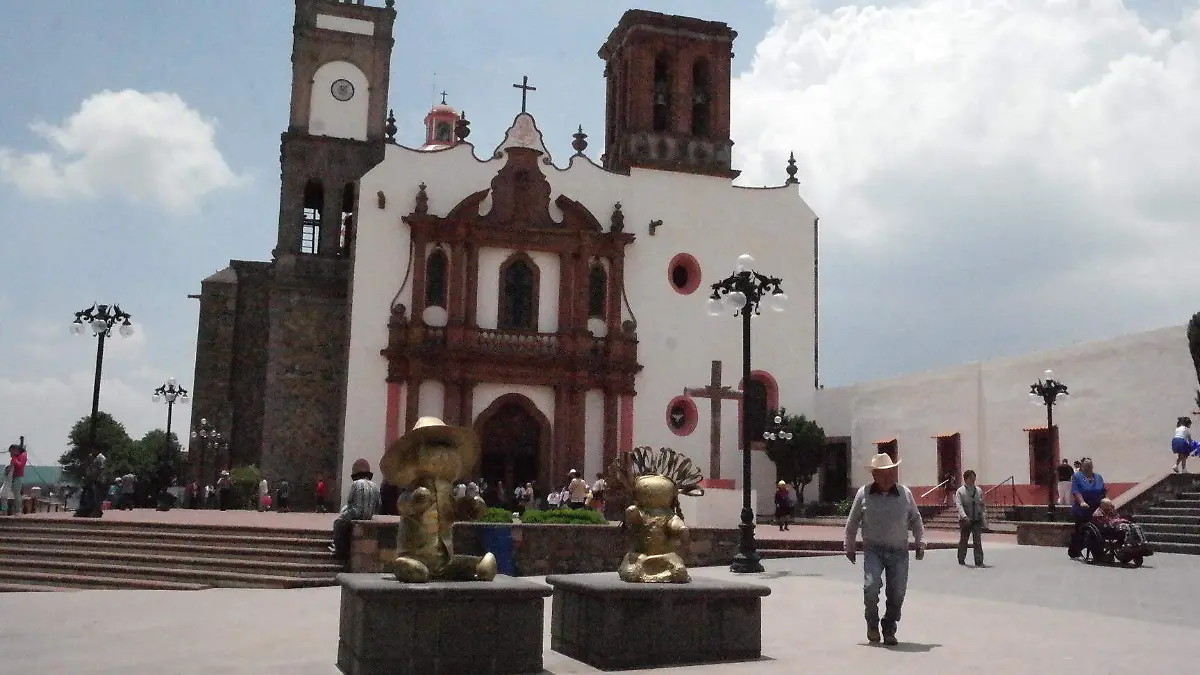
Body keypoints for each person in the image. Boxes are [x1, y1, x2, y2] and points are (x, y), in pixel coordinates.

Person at [845, 453, 925, 646]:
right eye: (882, 474)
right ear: (874, 475)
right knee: (870, 587)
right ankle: (872, 623)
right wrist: (849, 546)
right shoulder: (863, 494)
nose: (887, 477)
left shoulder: (904, 493)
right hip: (873, 550)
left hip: (899, 551)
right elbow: (852, 521)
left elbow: (916, 519)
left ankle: (889, 626)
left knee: (897, 592)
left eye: (890, 472)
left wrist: (920, 542)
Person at [329, 458, 382, 560]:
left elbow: (350, 501)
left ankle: (338, 549)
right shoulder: (375, 486)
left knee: (338, 523)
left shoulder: (355, 484)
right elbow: (378, 504)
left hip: (356, 512)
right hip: (369, 514)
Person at [1067, 457, 1106, 559]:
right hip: (1082, 509)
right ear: (1082, 466)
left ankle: (1098, 552)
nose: (1089, 468)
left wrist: (1105, 502)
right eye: (1086, 466)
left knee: (1098, 530)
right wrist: (1082, 501)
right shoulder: (1077, 477)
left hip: (1096, 508)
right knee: (1080, 531)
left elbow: (1103, 491)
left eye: (1090, 466)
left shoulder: (1098, 477)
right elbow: (1076, 491)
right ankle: (1074, 552)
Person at [954, 469, 987, 567]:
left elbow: (982, 505)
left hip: (976, 518)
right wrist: (964, 516)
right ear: (966, 479)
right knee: (964, 540)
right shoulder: (960, 491)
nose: (973, 480)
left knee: (977, 540)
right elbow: (959, 505)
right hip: (965, 520)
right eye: (971, 478)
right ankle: (961, 558)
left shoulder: (978, 490)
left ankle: (979, 561)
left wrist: (983, 516)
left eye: (974, 478)